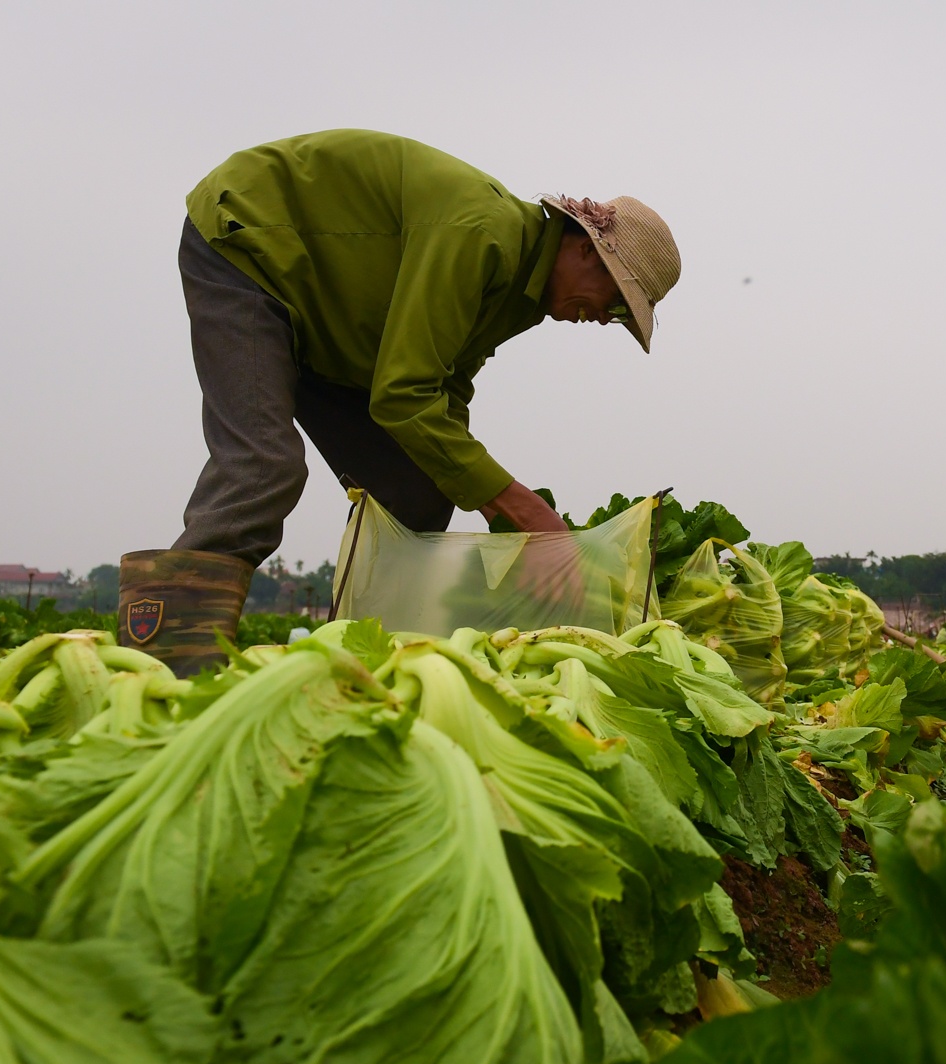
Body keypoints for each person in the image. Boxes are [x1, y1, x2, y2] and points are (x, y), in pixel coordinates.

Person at [118, 129, 681, 673]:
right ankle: (160, 664)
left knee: (419, 485)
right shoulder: (481, 235)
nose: (603, 320)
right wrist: (521, 507)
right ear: (585, 249)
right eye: (615, 301)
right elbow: (404, 397)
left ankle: (375, 662)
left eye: (618, 316)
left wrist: (485, 498)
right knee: (262, 468)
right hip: (254, 247)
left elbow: (444, 387)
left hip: (337, 326)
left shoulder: (522, 294)